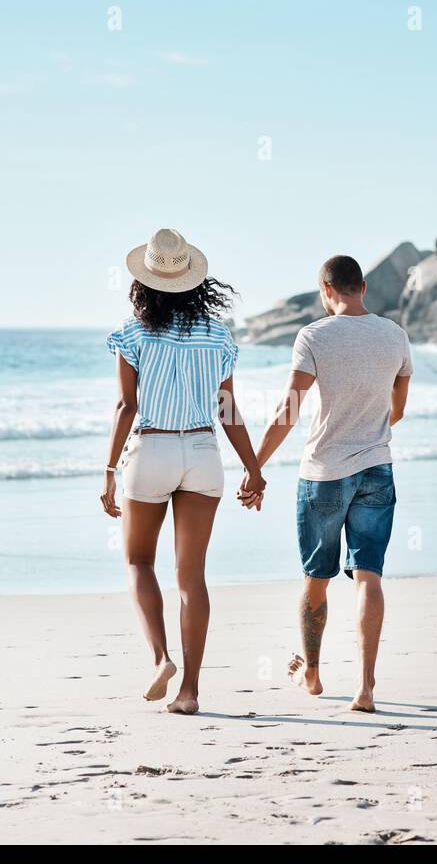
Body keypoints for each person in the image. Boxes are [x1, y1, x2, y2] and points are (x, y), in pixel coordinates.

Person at [101, 228, 266, 715]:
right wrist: (253, 469)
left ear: (143, 282)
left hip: (150, 451)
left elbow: (125, 407)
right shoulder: (217, 335)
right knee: (191, 575)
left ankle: (160, 660)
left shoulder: (131, 334)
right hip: (202, 452)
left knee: (137, 562)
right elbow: (228, 408)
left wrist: (109, 468)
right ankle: (190, 691)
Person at [243, 255, 412, 712]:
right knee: (368, 577)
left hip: (323, 474)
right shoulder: (394, 334)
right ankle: (366, 688)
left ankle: (313, 675)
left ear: (326, 288)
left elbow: (289, 410)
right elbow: (397, 409)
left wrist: (255, 467)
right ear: (363, 287)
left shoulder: (314, 335)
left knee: (316, 579)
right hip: (377, 468)